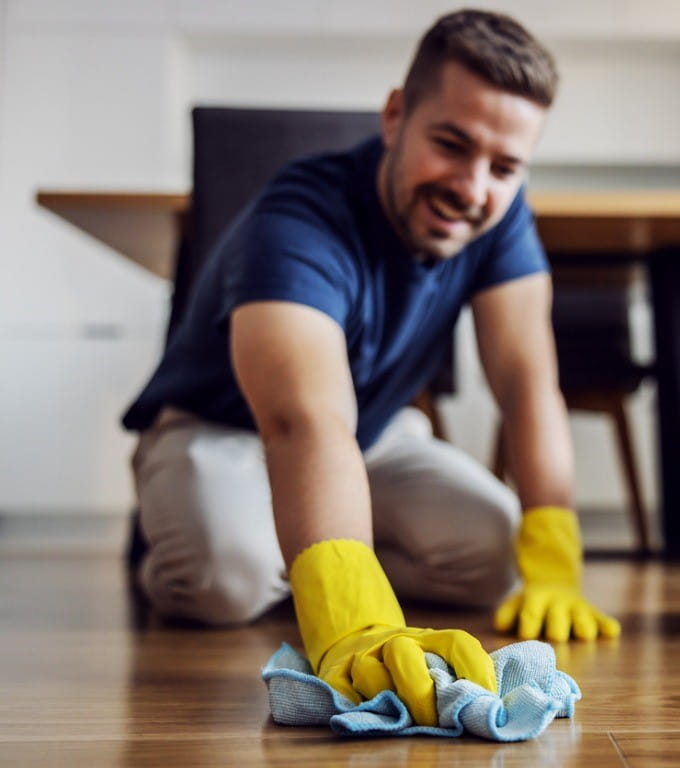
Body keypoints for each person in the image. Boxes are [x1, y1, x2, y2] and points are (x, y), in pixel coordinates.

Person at [122, 8, 619, 726]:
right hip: (222, 430)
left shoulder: (501, 217)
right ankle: (203, 544)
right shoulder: (297, 221)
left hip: (372, 435)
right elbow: (302, 420)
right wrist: (350, 608)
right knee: (223, 581)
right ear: (395, 116)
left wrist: (555, 547)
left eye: (505, 167)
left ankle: (304, 544)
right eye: (451, 144)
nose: (474, 188)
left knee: (496, 557)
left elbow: (529, 385)